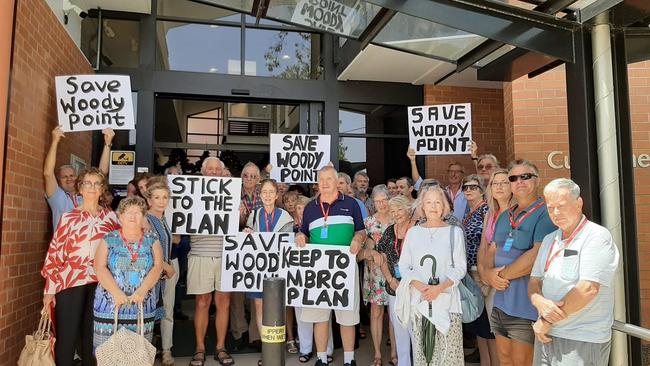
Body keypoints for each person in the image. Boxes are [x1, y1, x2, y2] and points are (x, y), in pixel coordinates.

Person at [528, 178, 619, 366]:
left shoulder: (597, 236)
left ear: (579, 204)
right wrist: (537, 300)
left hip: (581, 338)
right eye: (550, 207)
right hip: (546, 335)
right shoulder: (549, 239)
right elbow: (534, 281)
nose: (555, 212)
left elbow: (587, 289)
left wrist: (546, 320)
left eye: (561, 206)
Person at [41, 167, 120, 366]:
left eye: (96, 184)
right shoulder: (68, 218)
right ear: (80, 188)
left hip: (100, 284)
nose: (92, 188)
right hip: (69, 282)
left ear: (102, 189)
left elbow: (119, 252)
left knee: (93, 339)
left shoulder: (111, 219)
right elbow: (55, 253)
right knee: (66, 338)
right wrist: (49, 291)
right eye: (87, 183)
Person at [485, 160, 557, 366]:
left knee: (521, 362)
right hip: (501, 304)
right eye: (513, 178)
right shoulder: (505, 215)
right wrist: (488, 274)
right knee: (504, 360)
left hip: (525, 306)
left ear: (537, 180)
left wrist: (499, 276)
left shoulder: (546, 213)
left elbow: (537, 254)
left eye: (526, 176)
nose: (519, 182)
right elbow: (492, 249)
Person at [296, 166, 367, 366]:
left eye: (329, 179)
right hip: (319, 270)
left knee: (347, 317)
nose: (325, 183)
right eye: (321, 179)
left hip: (345, 268)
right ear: (317, 183)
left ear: (337, 182)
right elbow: (303, 233)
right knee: (320, 317)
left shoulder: (351, 204)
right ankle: (321, 359)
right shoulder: (310, 207)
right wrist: (300, 236)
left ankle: (349, 360)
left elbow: (361, 232)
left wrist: (357, 240)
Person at [397, 185, 467, 365]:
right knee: (424, 354)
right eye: (428, 202)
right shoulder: (413, 233)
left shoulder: (454, 232)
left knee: (447, 354)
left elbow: (460, 267)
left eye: (437, 202)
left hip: (447, 302)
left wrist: (439, 289)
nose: (433, 206)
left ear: (444, 206)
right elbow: (404, 265)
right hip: (420, 301)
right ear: (422, 206)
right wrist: (421, 287)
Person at [93, 196, 164, 350]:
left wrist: (142, 291)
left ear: (144, 217)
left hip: (142, 304)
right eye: (128, 212)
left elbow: (158, 266)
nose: (132, 216)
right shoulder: (109, 238)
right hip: (110, 305)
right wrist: (116, 293)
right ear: (120, 216)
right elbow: (99, 267)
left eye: (138, 212)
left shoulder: (152, 239)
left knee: (137, 353)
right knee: (108, 353)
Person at [187, 157, 234, 366]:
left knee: (224, 303)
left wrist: (241, 215)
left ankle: (220, 347)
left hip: (226, 254)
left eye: (218, 169)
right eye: (210, 169)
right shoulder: (191, 192)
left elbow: (240, 223)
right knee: (202, 302)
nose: (214, 172)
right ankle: (199, 348)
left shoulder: (231, 193)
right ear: (203, 171)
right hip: (200, 253)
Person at [243, 179, 295, 366]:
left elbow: (289, 243)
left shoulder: (285, 217)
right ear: (259, 194)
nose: (267, 195)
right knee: (259, 307)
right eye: (263, 191)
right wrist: (247, 233)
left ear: (276, 194)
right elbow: (248, 241)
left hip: (279, 269)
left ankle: (278, 347)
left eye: (270, 191)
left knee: (279, 307)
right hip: (258, 269)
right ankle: (267, 349)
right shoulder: (254, 215)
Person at [371, 195, 413, 366]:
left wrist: (410, 282)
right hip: (394, 287)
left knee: (415, 331)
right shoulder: (389, 231)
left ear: (408, 210)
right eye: (393, 210)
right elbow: (382, 257)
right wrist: (389, 279)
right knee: (400, 329)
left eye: (400, 209)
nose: (396, 214)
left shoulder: (417, 229)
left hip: (414, 288)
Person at [43, 126, 114, 229]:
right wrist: (55, 141)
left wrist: (107, 144)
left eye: (72, 175)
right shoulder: (57, 197)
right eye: (64, 177)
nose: (69, 178)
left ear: (78, 178)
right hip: (65, 243)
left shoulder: (87, 194)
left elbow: (101, 174)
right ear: (59, 181)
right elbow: (48, 173)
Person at [293, 195, 335, 363]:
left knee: (324, 313)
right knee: (301, 314)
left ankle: (327, 350)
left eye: (305, 208)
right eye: (299, 208)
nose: (302, 211)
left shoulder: (319, 225)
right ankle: (305, 349)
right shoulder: (290, 227)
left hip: (320, 275)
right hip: (298, 277)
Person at [461, 174, 498, 366]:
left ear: (482, 190)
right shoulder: (468, 213)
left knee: (488, 325)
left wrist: (486, 270)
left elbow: (491, 241)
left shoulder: (486, 210)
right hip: (470, 272)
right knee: (479, 324)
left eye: (472, 187)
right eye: (465, 187)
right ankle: (485, 362)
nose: (468, 190)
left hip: (482, 272)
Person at [145, 177, 178, 366]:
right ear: (149, 200)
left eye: (165, 197)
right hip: (151, 275)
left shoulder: (163, 218)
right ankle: (145, 353)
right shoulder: (145, 219)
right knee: (148, 314)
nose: (161, 201)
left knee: (166, 312)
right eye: (157, 197)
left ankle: (166, 350)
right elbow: (147, 245)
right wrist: (166, 267)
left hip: (165, 275)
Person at [356, 186, 391, 366]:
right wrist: (370, 252)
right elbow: (358, 253)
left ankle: (395, 354)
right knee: (376, 312)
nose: (381, 204)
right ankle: (377, 353)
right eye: (377, 201)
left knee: (394, 314)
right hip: (375, 275)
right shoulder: (367, 223)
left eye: (384, 199)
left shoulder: (398, 219)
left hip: (395, 273)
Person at [232, 162, 264, 350]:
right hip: (236, 248)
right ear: (241, 176)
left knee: (256, 293)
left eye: (253, 176)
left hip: (258, 249)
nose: (250, 179)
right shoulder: (233, 194)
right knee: (237, 293)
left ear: (258, 179)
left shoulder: (264, 195)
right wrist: (239, 218)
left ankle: (255, 335)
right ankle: (239, 333)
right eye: (246, 175)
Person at [477, 169, 514, 325]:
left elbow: (509, 245)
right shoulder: (491, 213)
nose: (499, 187)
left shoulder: (516, 212)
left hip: (508, 276)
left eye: (504, 182)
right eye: (494, 183)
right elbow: (483, 245)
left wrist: (495, 274)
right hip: (489, 277)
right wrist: (483, 272)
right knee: (495, 327)